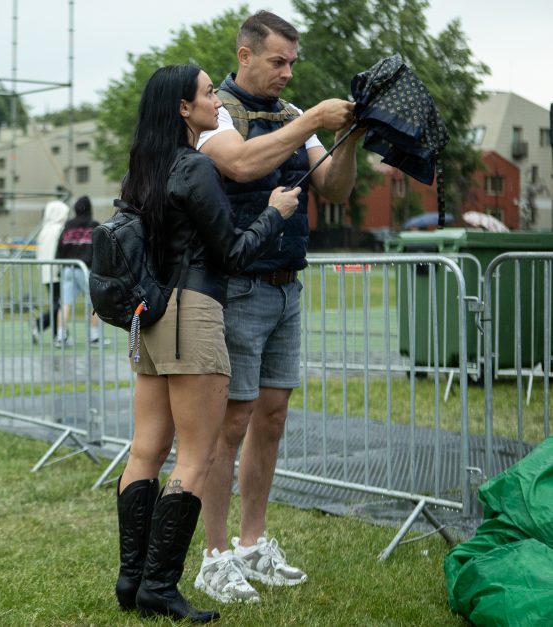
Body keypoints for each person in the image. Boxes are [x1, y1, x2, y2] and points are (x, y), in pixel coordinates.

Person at [113, 63, 299, 622]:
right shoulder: (194, 167)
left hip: (151, 315)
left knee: (145, 448)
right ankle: (160, 586)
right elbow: (234, 253)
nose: (217, 99)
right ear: (182, 108)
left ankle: (132, 578)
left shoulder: (142, 168)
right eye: (207, 92)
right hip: (194, 312)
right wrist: (274, 213)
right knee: (193, 457)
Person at [192, 10, 362, 603]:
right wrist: (316, 118)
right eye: (277, 61)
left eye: (293, 62)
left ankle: (251, 544)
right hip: (236, 287)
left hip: (288, 285)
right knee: (229, 423)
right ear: (244, 55)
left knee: (271, 419)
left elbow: (335, 189)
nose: (288, 73)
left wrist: (351, 135)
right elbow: (240, 164)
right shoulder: (215, 114)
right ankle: (213, 557)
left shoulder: (293, 117)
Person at [54, 196, 102, 347]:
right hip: (86, 269)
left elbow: (60, 247)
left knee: (65, 303)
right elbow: (99, 249)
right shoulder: (94, 225)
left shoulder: (68, 225)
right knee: (96, 303)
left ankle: (61, 337)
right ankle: (94, 337)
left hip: (68, 268)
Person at [32, 199, 70, 344]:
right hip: (57, 272)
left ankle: (57, 334)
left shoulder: (45, 229)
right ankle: (40, 324)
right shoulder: (59, 230)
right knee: (59, 304)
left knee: (57, 303)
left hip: (47, 272)